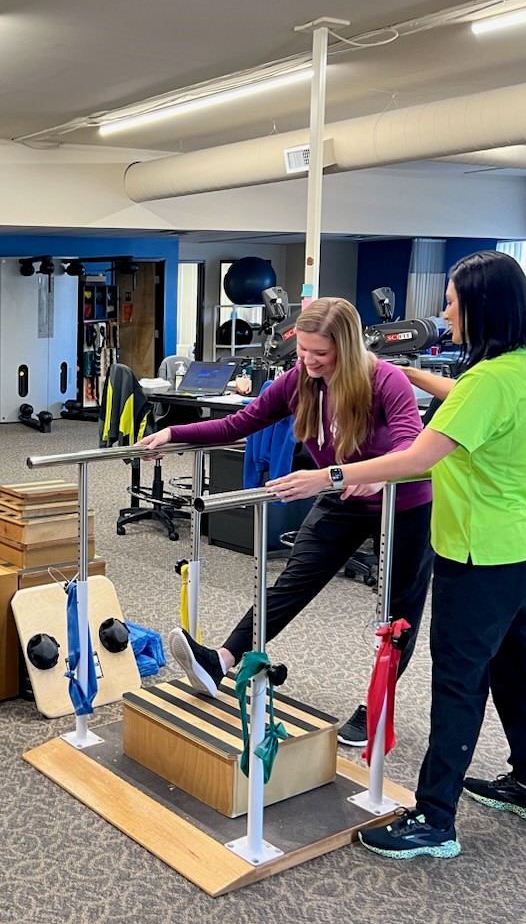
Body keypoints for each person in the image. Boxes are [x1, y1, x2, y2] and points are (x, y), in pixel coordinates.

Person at [268, 252, 526, 860]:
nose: (445, 310)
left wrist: (330, 477)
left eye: (452, 300)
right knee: (521, 663)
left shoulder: (489, 380)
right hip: (522, 542)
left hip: (476, 552)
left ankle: (434, 819)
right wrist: (410, 372)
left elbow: (417, 458)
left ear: (481, 306)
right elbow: (471, 401)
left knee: (458, 680)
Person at [139, 297, 432, 745]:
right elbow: (240, 423)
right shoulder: (300, 382)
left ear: (348, 347)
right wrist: (176, 434)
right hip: (338, 497)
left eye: (321, 353)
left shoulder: (384, 380)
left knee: (398, 612)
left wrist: (373, 477)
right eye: (303, 352)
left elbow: (411, 450)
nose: (310, 362)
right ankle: (222, 659)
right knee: (290, 584)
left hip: (403, 503)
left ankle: (377, 706)